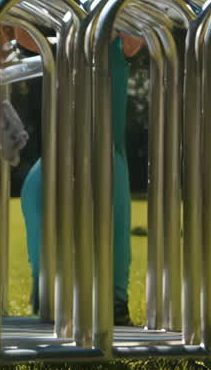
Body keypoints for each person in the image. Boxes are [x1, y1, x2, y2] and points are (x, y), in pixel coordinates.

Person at [19, 30, 143, 326]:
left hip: (102, 146)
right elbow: (20, 34)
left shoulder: (121, 38)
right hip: (62, 147)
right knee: (35, 195)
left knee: (112, 216)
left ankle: (115, 302)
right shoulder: (64, 44)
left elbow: (136, 37)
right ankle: (47, 293)